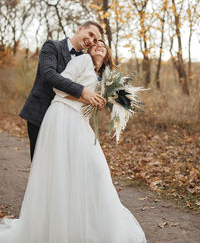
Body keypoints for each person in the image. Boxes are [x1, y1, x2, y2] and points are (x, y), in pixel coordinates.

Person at [0, 40, 147, 242]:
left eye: (103, 45)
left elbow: (101, 103)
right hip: (62, 116)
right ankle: (57, 228)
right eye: (95, 44)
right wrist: (87, 98)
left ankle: (89, 225)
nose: (98, 46)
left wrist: (112, 104)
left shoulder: (106, 77)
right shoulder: (82, 60)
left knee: (95, 170)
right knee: (61, 170)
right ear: (89, 49)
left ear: (107, 54)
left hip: (81, 122)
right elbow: (59, 89)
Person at [19, 21, 106, 161]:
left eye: (95, 39)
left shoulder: (85, 60)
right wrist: (82, 91)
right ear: (79, 29)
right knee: (40, 162)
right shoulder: (52, 46)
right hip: (40, 112)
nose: (91, 40)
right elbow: (49, 75)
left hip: (67, 118)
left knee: (60, 163)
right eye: (90, 34)